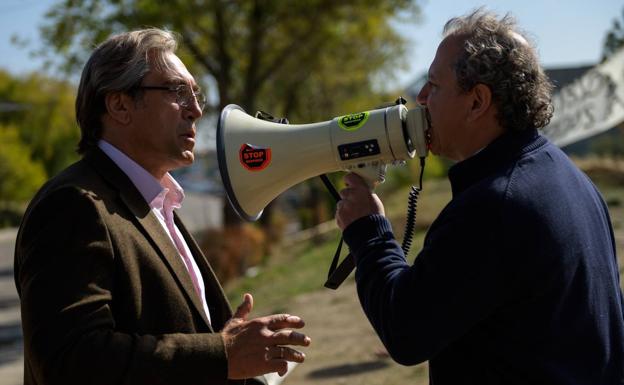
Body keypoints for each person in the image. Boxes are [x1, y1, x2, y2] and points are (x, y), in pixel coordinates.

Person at [335, 9, 624, 385]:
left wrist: (368, 232)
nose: (420, 98)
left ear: (477, 102)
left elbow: (405, 331)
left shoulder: (496, 206)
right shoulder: (566, 175)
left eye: (434, 86)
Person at [14, 28, 310, 385]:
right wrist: (222, 354)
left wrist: (226, 345)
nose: (197, 109)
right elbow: (71, 360)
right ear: (119, 104)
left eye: (196, 93)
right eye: (177, 91)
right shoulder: (73, 205)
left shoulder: (154, 200)